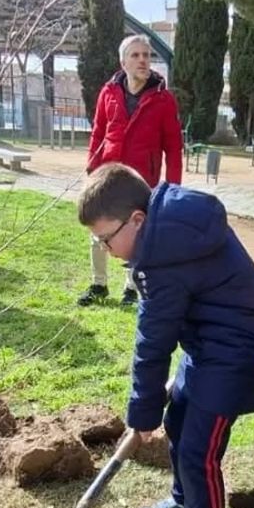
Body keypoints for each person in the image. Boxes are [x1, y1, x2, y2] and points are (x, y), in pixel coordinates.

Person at [76, 163, 254, 508]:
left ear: (137, 219)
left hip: (235, 356)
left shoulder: (162, 256)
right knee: (179, 422)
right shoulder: (168, 230)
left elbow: (153, 342)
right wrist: (154, 410)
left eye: (106, 238)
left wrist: (141, 412)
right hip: (207, 344)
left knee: (197, 453)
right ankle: (183, 500)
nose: (105, 249)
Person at [80, 34, 183, 308]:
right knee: (98, 230)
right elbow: (98, 133)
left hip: (142, 182)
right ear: (123, 61)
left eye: (146, 55)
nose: (142, 60)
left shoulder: (164, 100)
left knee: (136, 235)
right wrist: (92, 170)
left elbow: (173, 148)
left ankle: (131, 288)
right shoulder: (108, 93)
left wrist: (173, 188)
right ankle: (99, 284)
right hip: (108, 176)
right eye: (136, 55)